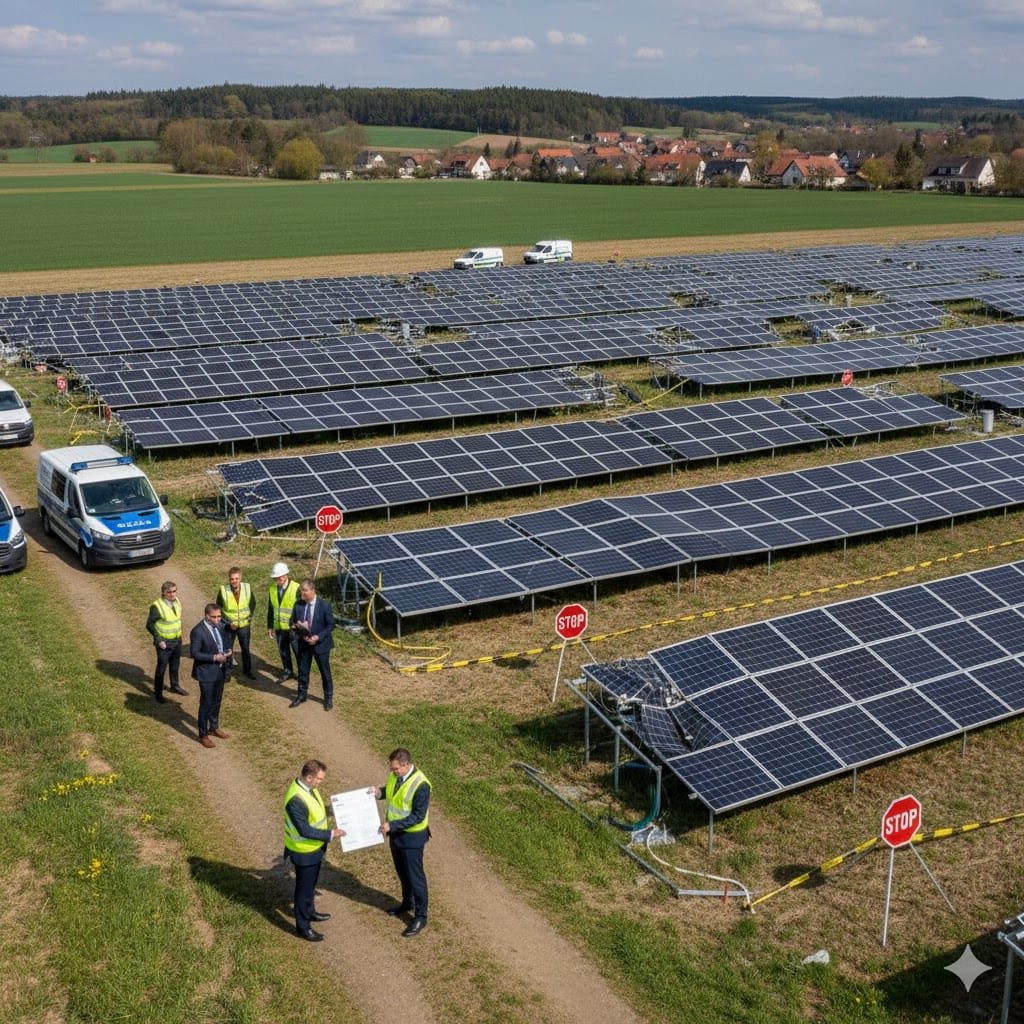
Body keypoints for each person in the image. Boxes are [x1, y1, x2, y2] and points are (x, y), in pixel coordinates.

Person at [283, 759, 345, 942]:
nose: (321, 782)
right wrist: (331, 834)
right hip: (303, 852)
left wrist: (333, 811)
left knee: (310, 885)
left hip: (314, 850)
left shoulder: (309, 789)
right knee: (303, 889)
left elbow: (315, 812)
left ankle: (310, 912)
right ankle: (303, 927)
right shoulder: (295, 800)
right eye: (319, 779)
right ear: (309, 777)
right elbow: (305, 830)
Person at [372, 747, 431, 937]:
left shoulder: (421, 785)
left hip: (411, 838)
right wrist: (378, 793)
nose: (393, 772)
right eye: (392, 769)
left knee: (416, 878)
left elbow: (418, 816)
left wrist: (393, 825)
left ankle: (420, 916)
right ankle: (407, 903)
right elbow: (392, 792)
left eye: (396, 769)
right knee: (402, 872)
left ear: (405, 765)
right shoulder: (396, 777)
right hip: (396, 835)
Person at [189, 603, 232, 748]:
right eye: (214, 617)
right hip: (206, 672)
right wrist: (214, 657)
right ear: (206, 616)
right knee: (206, 703)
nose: (217, 619)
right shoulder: (198, 631)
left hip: (220, 670)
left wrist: (227, 651)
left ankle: (214, 727)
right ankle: (203, 734)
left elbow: (223, 641)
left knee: (216, 700)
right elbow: (194, 653)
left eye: (219, 616)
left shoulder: (220, 626)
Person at [288, 579, 335, 711]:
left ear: (313, 591)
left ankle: (328, 697)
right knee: (303, 671)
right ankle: (301, 695)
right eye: (301, 590)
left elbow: (331, 625)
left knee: (325, 672)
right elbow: (292, 621)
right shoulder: (298, 605)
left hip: (320, 645)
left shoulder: (324, 605)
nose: (302, 593)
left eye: (305, 590)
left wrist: (318, 637)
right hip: (304, 644)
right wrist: (298, 629)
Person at [146, 581, 187, 703]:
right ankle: (158, 693)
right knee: (161, 668)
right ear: (163, 593)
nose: (172, 594)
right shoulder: (157, 607)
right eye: (169, 592)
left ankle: (175, 686)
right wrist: (159, 640)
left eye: (174, 591)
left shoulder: (177, 601)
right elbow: (149, 625)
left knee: (175, 665)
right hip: (164, 643)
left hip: (176, 640)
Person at [216, 566, 256, 680]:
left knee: (246, 649)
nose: (234, 581)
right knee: (228, 650)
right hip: (230, 626)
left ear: (240, 578)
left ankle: (247, 671)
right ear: (229, 579)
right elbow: (218, 609)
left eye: (237, 578)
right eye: (232, 579)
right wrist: (228, 623)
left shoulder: (247, 588)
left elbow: (253, 603)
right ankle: (227, 673)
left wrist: (250, 617)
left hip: (244, 626)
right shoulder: (223, 590)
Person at [267, 562, 300, 685]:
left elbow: (301, 609)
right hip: (279, 628)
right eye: (276, 578)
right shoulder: (272, 589)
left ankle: (302, 674)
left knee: (298, 652)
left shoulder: (296, 588)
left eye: (279, 577)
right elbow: (271, 608)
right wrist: (270, 625)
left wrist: (297, 624)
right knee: (283, 651)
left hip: (294, 629)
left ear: (285, 576)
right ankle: (288, 671)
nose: (277, 580)